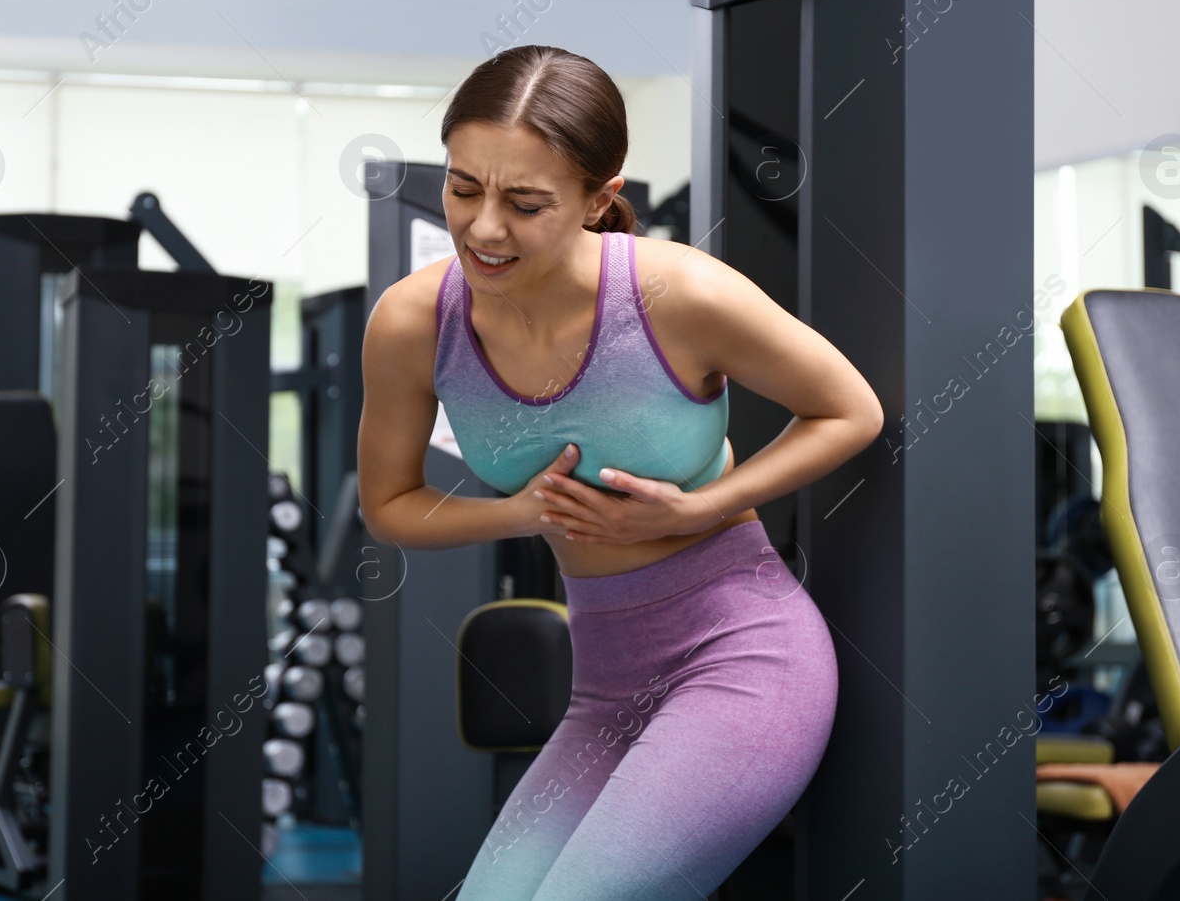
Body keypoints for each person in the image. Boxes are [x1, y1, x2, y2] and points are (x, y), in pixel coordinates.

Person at [357, 44, 883, 900]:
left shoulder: (678, 294)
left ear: (600, 199)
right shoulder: (414, 320)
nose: (484, 228)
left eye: (525, 203)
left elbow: (849, 408)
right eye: (463, 188)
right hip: (603, 687)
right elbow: (388, 503)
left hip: (742, 656)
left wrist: (697, 508)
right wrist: (525, 510)